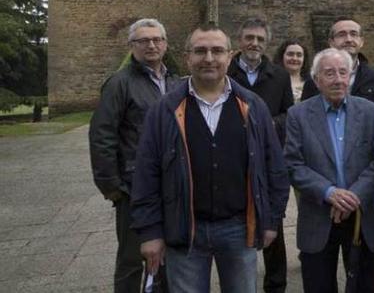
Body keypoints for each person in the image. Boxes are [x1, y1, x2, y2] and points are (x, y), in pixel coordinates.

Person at [131, 24, 289, 293]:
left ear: (229, 56)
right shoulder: (165, 110)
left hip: (239, 229)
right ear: (187, 57)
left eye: (217, 51)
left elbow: (274, 167)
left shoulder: (253, 106)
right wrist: (150, 232)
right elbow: (147, 173)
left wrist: (272, 220)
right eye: (200, 51)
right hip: (185, 229)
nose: (208, 58)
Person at [285, 48, 374, 293]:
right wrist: (329, 192)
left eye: (343, 72)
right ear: (316, 79)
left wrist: (352, 197)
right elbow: (293, 163)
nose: (338, 79)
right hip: (319, 215)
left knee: (364, 286)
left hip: (363, 217)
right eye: (329, 73)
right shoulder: (298, 115)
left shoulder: (371, 113)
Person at [89, 18, 177, 293]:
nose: (151, 45)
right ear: (132, 46)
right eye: (143, 41)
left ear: (165, 44)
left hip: (170, 183)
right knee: (131, 259)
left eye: (156, 40)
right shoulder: (119, 83)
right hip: (133, 186)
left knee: (166, 256)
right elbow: (102, 135)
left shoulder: (174, 82)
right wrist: (111, 186)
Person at [227, 18, 293, 293]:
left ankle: (276, 285)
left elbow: (288, 113)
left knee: (272, 224)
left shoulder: (279, 75)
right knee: (234, 224)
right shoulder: (226, 72)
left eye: (260, 39)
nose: (254, 43)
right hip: (232, 158)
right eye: (249, 38)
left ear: (267, 44)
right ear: (239, 40)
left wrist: (263, 123)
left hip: (267, 157)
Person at [302, 17, 374, 113]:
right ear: (331, 42)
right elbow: (306, 114)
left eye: (354, 34)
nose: (348, 39)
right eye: (341, 35)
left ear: (361, 41)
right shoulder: (316, 78)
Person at [275, 38, 309, 104]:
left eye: (299, 55)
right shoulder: (273, 80)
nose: (294, 58)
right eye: (290, 54)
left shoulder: (312, 82)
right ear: (282, 56)